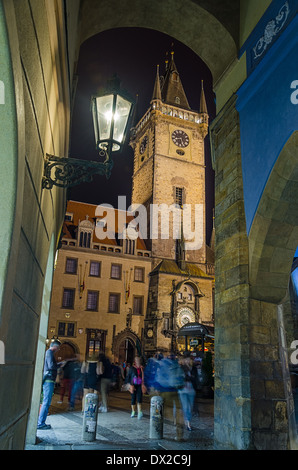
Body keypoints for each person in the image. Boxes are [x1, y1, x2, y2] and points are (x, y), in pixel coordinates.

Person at [154, 352, 185, 441]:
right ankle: (179, 433)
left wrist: (157, 388)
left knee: (167, 412)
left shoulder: (163, 365)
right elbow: (182, 377)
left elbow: (159, 377)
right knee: (178, 412)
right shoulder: (177, 365)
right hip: (176, 390)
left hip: (166, 391)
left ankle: (160, 431)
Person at [37, 340, 60, 430]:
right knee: (46, 402)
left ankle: (41, 422)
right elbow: (51, 366)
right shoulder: (49, 352)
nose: (58, 350)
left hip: (48, 379)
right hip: (49, 380)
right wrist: (58, 366)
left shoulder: (48, 352)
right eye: (58, 348)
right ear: (55, 347)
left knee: (46, 401)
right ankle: (41, 423)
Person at [178, 352, 197, 431]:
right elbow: (181, 378)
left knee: (190, 407)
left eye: (189, 360)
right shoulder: (181, 368)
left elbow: (195, 378)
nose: (188, 361)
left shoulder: (193, 368)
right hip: (183, 390)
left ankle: (185, 420)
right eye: (186, 360)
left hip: (191, 390)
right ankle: (188, 423)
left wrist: (190, 377)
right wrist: (189, 377)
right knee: (186, 407)